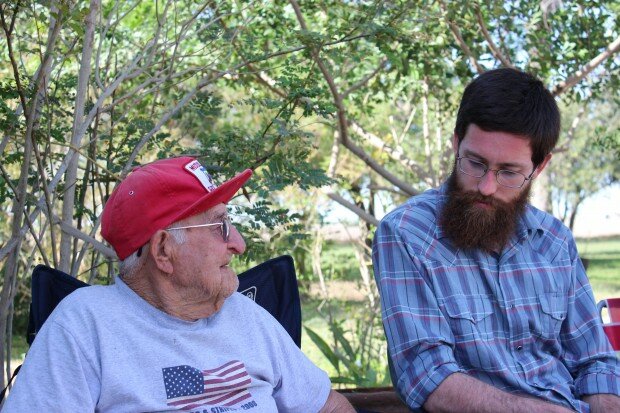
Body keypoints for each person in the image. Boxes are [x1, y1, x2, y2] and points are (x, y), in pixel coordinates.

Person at [3, 156, 354, 412]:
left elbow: (330, 407)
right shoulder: (85, 326)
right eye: (220, 226)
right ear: (163, 250)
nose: (239, 243)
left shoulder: (246, 314)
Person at [372, 68, 620, 413]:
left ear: (539, 167)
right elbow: (427, 376)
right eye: (474, 162)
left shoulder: (554, 240)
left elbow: (595, 361)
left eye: (508, 172)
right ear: (457, 143)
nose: (486, 186)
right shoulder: (406, 234)